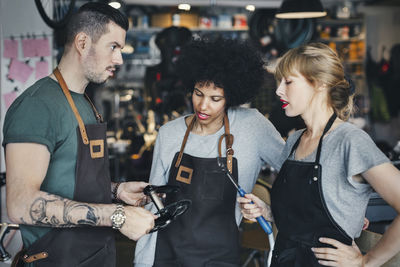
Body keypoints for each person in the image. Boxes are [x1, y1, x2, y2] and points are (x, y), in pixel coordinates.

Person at [2, 3, 155, 267]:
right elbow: (21, 203)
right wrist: (118, 216)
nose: (119, 59)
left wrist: (116, 192)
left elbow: (65, 183)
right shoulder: (38, 105)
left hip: (94, 256)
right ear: (83, 42)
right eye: (113, 47)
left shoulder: (84, 103)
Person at [238, 42, 400, 266]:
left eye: (289, 82)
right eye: (279, 81)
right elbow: (303, 219)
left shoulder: (350, 141)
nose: (278, 90)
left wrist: (367, 261)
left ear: (321, 84)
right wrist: (268, 211)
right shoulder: (295, 141)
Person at [134, 38, 285, 267]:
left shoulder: (252, 126)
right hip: (167, 255)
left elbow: (294, 173)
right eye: (198, 94)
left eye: (215, 98)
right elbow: (152, 204)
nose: (203, 106)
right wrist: (141, 260)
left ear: (231, 97)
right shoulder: (169, 134)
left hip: (220, 256)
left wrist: (270, 210)